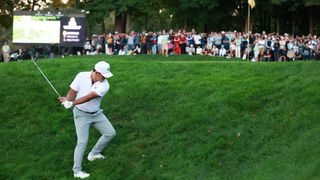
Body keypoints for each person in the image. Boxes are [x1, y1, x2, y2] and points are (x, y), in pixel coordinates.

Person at [59, 61, 116, 179]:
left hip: (96, 114)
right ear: (96, 72)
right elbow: (72, 92)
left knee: (110, 133)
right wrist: (67, 100)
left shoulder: (105, 85)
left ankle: (94, 154)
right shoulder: (81, 76)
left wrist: (72, 103)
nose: (105, 77)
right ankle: (77, 171)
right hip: (81, 114)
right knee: (82, 142)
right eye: (103, 75)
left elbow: (90, 97)